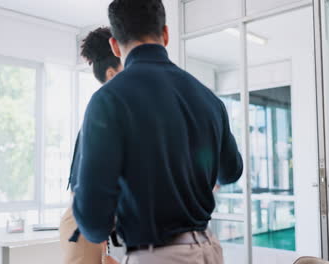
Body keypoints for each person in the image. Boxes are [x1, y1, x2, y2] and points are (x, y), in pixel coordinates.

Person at [72, 0, 243, 263]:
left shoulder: (109, 101)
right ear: (165, 34)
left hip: (158, 256)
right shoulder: (208, 98)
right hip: (210, 250)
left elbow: (94, 222)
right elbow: (231, 171)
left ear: (115, 46)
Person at [59, 27, 123, 264]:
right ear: (111, 74)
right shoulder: (103, 111)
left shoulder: (110, 110)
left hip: (92, 219)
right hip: (82, 222)